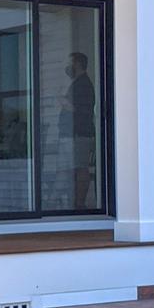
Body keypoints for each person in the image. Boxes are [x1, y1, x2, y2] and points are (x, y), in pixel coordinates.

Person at [62, 51, 97, 210]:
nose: (68, 67)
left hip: (81, 133)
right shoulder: (77, 83)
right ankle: (76, 202)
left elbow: (82, 109)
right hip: (75, 133)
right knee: (75, 167)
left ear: (78, 64)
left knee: (81, 167)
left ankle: (80, 204)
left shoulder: (84, 84)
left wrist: (66, 105)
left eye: (71, 63)